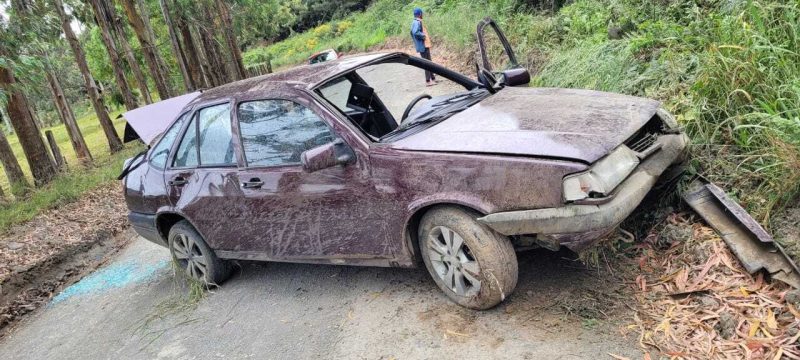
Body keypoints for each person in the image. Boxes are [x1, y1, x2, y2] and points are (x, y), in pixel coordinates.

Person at [410, 7, 437, 86]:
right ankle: (428, 81)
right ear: (420, 14)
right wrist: (423, 36)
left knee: (429, 62)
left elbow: (412, 33)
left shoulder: (416, 21)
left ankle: (433, 78)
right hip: (423, 46)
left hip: (425, 45)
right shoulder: (417, 22)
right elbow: (415, 32)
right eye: (422, 13)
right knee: (426, 64)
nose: (423, 15)